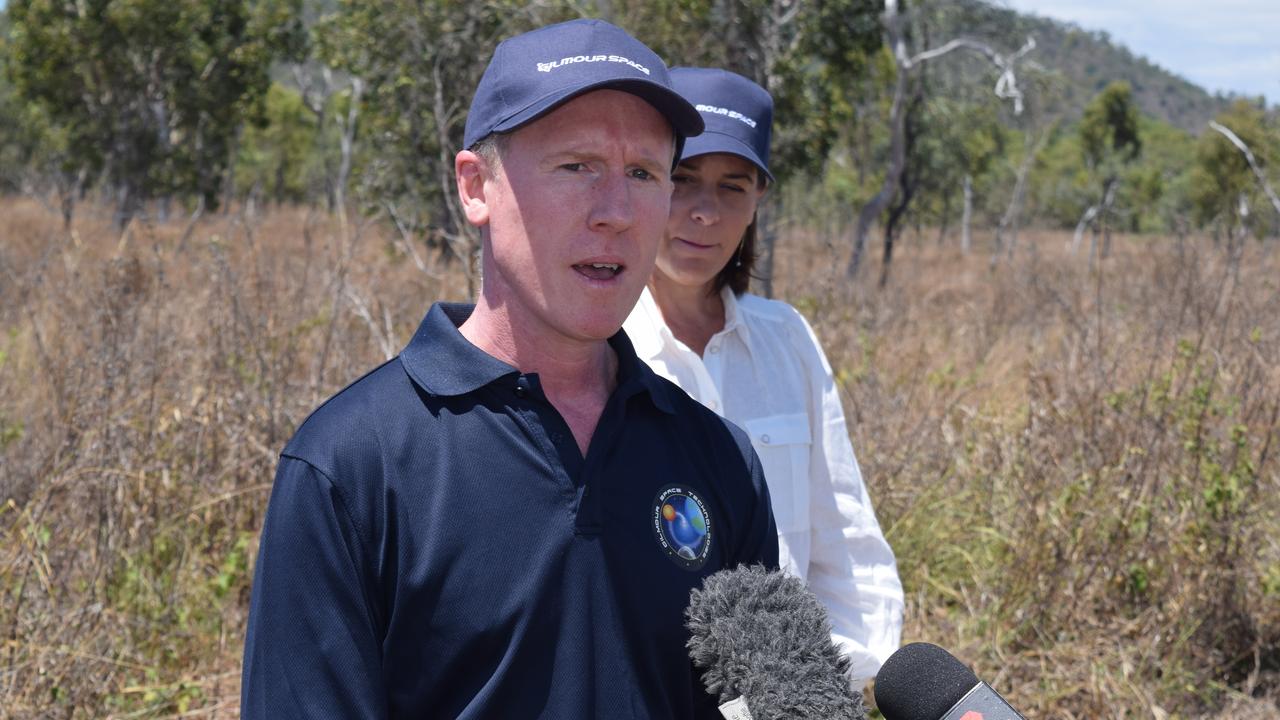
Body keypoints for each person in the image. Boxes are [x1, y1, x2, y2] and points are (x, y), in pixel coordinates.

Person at [240, 22, 779, 719]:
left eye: (645, 173)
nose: (616, 212)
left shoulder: (720, 458)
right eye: (576, 166)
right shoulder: (351, 469)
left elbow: (771, 704)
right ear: (476, 187)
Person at [622, 67, 905, 687]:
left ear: (759, 202)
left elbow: (846, 546)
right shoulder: (597, 348)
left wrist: (827, 683)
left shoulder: (786, 339)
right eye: (684, 179)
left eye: (733, 187)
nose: (704, 213)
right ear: (644, 179)